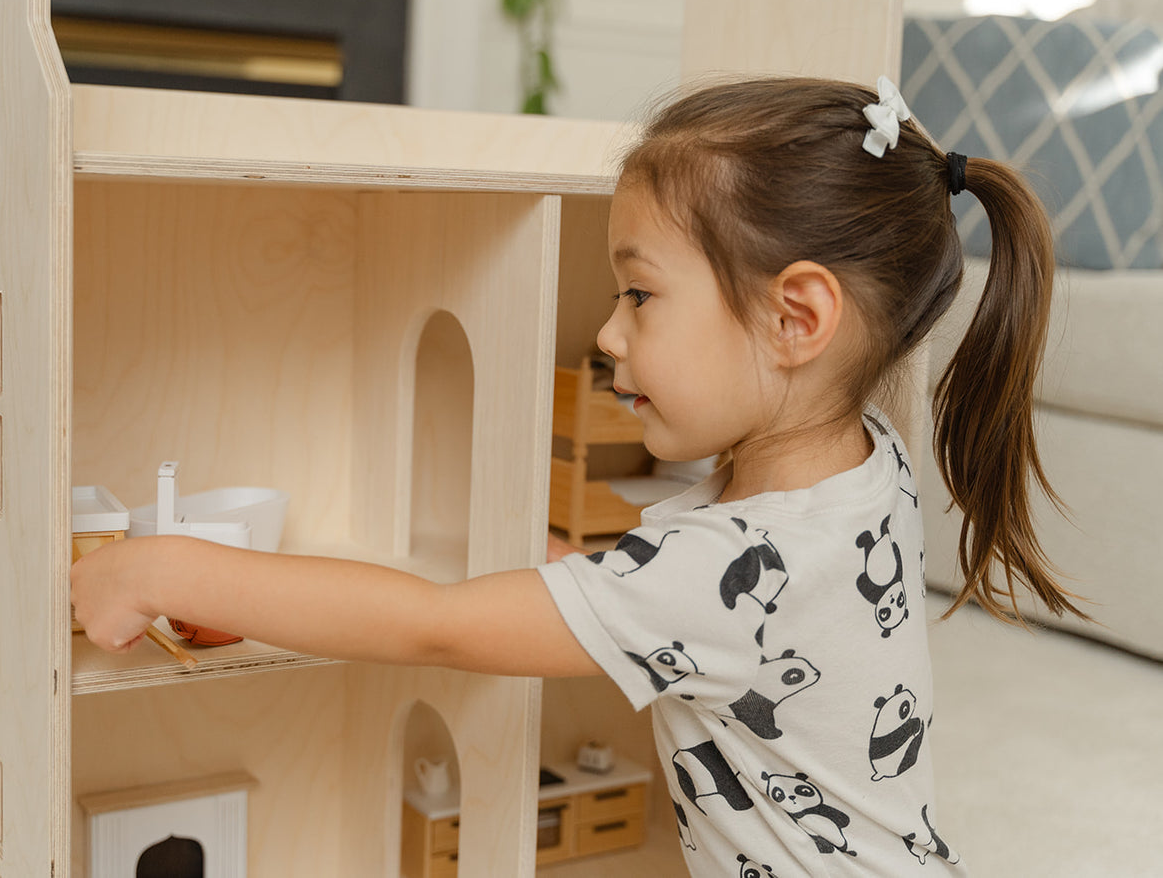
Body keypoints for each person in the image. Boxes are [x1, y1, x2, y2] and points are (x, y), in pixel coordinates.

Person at [71, 75, 1086, 875]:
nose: (605, 332)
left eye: (639, 294)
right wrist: (583, 572)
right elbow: (722, 599)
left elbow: (437, 626)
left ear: (795, 319)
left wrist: (169, 570)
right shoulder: (865, 462)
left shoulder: (717, 567)